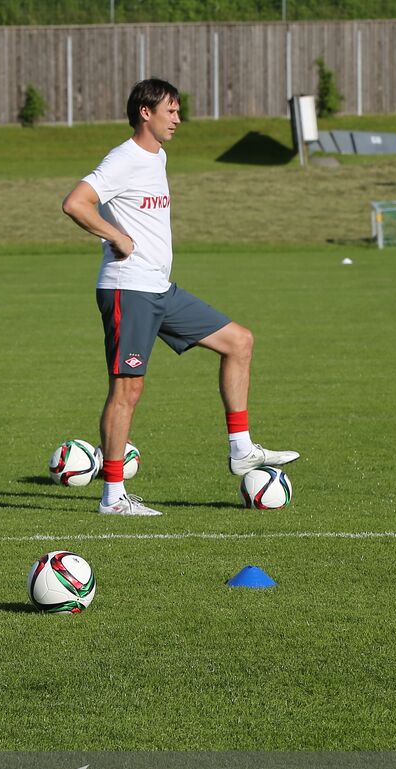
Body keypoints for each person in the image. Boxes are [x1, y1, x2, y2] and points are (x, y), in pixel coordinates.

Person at [61, 78, 298, 516]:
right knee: (127, 391)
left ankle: (241, 449)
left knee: (239, 341)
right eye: (171, 110)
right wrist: (117, 236)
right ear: (145, 113)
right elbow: (76, 202)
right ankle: (113, 497)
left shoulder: (159, 156)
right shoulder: (124, 158)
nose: (178, 119)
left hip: (159, 289)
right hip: (127, 289)